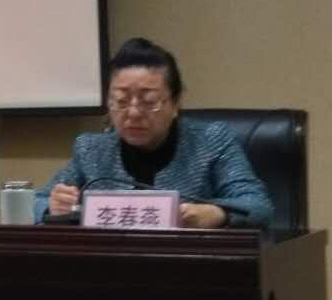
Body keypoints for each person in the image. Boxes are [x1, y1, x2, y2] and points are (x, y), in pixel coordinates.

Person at [35, 37, 272, 228]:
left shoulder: (211, 141)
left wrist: (219, 213)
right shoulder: (91, 150)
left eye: (149, 101)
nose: (133, 113)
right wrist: (53, 208)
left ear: (176, 103)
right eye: (121, 101)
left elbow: (258, 205)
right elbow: (35, 202)